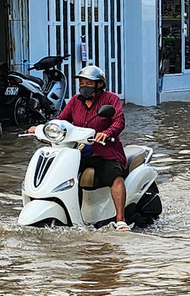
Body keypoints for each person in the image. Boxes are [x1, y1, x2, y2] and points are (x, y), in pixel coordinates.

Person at [27, 65, 130, 231]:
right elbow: (62, 120)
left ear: (99, 85)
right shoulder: (75, 101)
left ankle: (120, 220)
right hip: (80, 151)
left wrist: (106, 133)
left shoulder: (111, 100)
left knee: (115, 175)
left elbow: (119, 121)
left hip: (105, 151)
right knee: (62, 174)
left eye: (88, 83)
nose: (84, 86)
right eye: (82, 82)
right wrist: (43, 128)